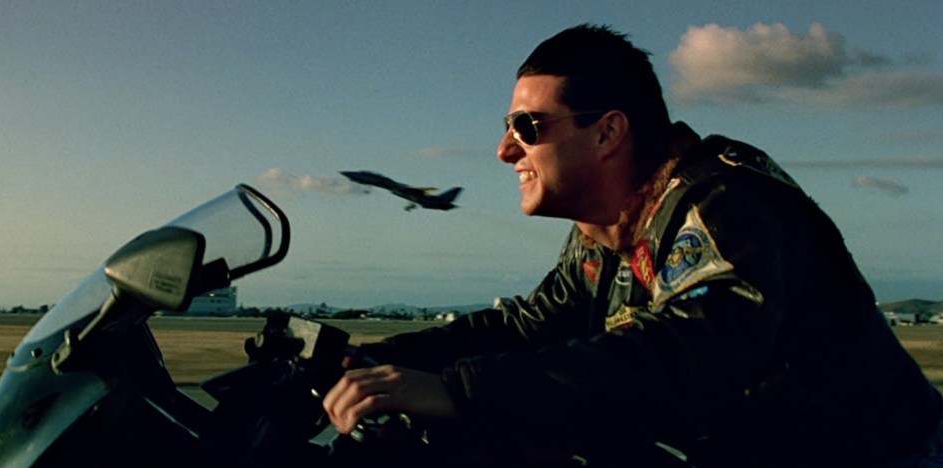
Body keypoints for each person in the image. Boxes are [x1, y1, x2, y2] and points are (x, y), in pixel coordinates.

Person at [322, 24, 943, 467]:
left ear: (608, 132)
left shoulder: (720, 201)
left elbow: (698, 344)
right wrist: (373, 359)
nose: (506, 150)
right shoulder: (605, 233)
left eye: (527, 127)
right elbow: (529, 327)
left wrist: (459, 391)